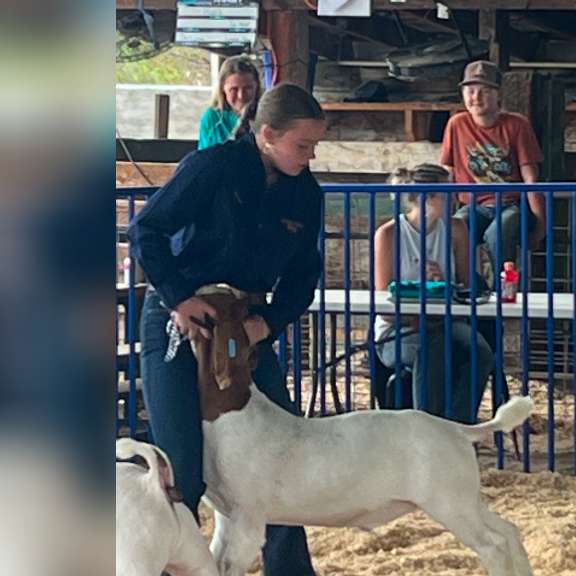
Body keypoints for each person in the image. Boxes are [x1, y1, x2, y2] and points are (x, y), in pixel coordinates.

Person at [128, 83, 326, 576]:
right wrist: (178, 296)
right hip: (179, 319)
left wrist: (269, 322)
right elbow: (146, 231)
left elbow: (304, 277)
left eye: (313, 145)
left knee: (283, 459)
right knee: (181, 468)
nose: (310, 155)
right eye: (302, 145)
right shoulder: (211, 167)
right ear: (266, 135)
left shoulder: (306, 193)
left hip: (245, 327)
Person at [373, 164, 494, 424]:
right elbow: (384, 302)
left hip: (446, 320)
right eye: (446, 192)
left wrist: (444, 282)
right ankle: (427, 426)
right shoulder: (389, 234)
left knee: (480, 350)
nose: (453, 197)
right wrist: (417, 313)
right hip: (400, 329)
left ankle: (459, 424)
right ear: (427, 197)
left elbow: (468, 284)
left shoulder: (456, 229)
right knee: (430, 348)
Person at [440, 59, 546, 276]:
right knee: (454, 229)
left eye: (485, 91)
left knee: (497, 234)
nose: (475, 98)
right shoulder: (456, 124)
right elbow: (448, 172)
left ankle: (503, 292)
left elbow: (530, 177)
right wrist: (442, 215)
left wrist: (540, 225)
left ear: (498, 94)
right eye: (469, 90)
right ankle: (467, 288)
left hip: (511, 204)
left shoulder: (517, 124)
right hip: (472, 205)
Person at [198, 55, 261, 149]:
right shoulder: (211, 118)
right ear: (222, 88)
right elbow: (203, 158)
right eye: (234, 89)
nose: (241, 96)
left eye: (248, 88)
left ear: (257, 86)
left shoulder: (266, 115)